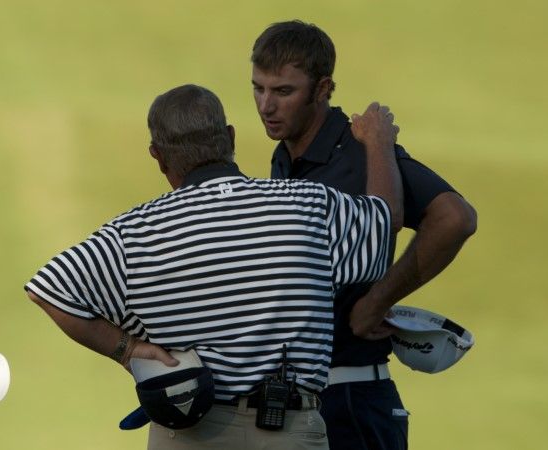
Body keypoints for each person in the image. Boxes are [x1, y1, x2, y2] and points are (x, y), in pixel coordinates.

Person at [26, 84, 403, 449]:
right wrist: (379, 143)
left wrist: (127, 349)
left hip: (188, 432)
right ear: (230, 137)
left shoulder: (134, 233)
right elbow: (383, 227)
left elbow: (49, 289)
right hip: (288, 431)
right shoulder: (307, 206)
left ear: (157, 155)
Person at [250, 20, 478, 450]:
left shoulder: (362, 150)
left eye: (283, 92)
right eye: (258, 88)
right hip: (307, 403)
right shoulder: (285, 157)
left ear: (322, 89)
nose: (266, 106)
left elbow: (455, 219)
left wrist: (378, 301)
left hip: (352, 400)